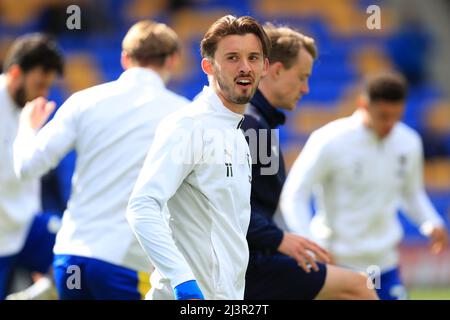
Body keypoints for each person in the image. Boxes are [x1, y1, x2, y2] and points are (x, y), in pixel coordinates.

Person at [13, 20, 189, 299]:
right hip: (125, 263)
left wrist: (27, 127)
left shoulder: (83, 101)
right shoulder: (183, 116)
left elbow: (26, 167)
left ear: (124, 58)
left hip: (70, 258)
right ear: (173, 59)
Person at [126, 15, 270, 300]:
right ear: (208, 66)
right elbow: (142, 206)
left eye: (253, 58)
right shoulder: (189, 125)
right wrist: (182, 281)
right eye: (232, 58)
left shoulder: (238, 135)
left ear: (264, 66)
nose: (244, 67)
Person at [280, 72, 449, 300]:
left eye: (396, 116)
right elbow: (295, 194)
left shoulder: (408, 142)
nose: (389, 125)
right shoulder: (329, 139)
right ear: (362, 105)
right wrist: (308, 242)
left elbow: (411, 193)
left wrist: (431, 222)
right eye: (383, 116)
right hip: (339, 263)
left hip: (385, 264)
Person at [242, 24, 378, 300]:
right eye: (302, 77)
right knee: (358, 287)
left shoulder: (256, 123)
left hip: (249, 255)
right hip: (246, 264)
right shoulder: (254, 129)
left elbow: (259, 204)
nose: (305, 88)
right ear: (277, 70)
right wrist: (284, 241)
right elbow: (236, 210)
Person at [0, 33, 64, 300]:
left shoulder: (32, 112)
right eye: (39, 83)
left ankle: (39, 293)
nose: (43, 94)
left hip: (28, 225)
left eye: (48, 86)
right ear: (16, 73)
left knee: (77, 252)